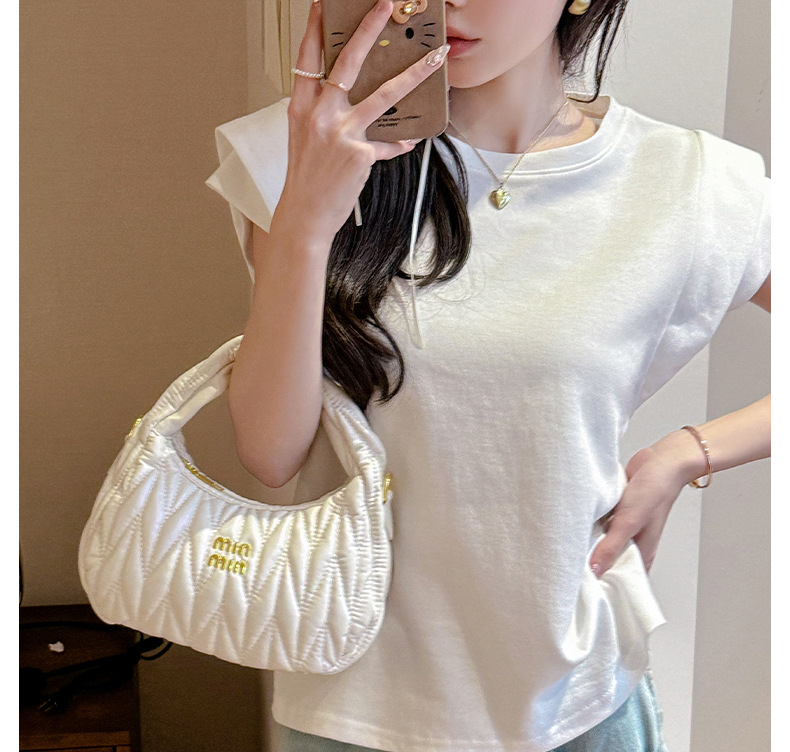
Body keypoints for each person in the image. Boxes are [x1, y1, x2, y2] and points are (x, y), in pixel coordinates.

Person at [205, 0, 771, 749]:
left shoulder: (692, 182)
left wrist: (687, 453)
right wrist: (307, 221)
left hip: (579, 706)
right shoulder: (302, 151)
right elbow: (271, 452)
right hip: (355, 707)